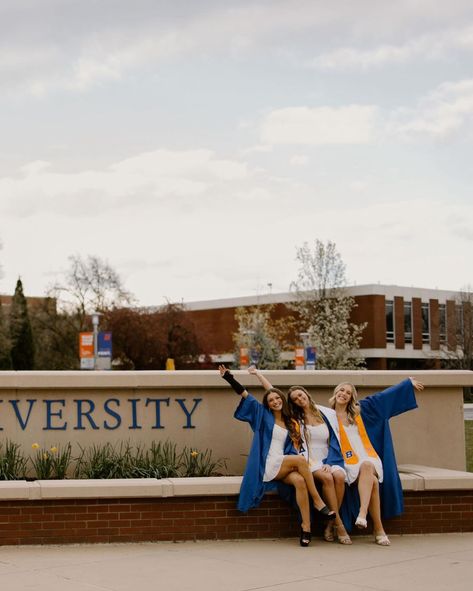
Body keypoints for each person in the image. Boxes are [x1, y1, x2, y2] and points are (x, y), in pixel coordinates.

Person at [218, 364, 335, 547]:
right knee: (300, 460)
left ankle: (306, 528)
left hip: (283, 463)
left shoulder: (289, 421)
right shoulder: (263, 415)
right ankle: (318, 501)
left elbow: (272, 389)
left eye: (277, 398)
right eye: (271, 400)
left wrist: (258, 374)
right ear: (267, 404)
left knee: (300, 481)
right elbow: (244, 394)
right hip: (268, 464)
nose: (274, 401)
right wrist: (229, 377)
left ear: (282, 400)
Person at [248, 366, 351, 545]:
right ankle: (339, 525)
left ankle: (330, 522)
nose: (299, 399)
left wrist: (331, 461)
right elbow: (272, 394)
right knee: (327, 478)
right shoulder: (294, 418)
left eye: (301, 395)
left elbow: (335, 439)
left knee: (340, 476)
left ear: (307, 394)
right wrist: (258, 374)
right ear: (293, 403)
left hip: (329, 458)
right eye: (295, 398)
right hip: (308, 460)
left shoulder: (324, 413)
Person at [330, 377, 424, 546]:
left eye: (348, 393)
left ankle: (362, 514)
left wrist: (406, 384)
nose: (344, 394)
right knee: (372, 481)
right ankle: (378, 529)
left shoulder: (360, 411)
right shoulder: (327, 416)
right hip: (348, 462)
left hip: (369, 456)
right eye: (341, 390)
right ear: (335, 392)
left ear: (352, 398)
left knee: (367, 465)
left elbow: (382, 398)